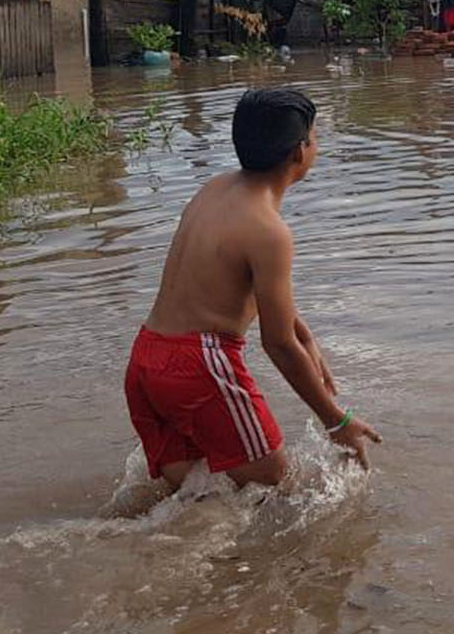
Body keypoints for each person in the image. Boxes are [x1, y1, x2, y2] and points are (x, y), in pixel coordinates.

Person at [124, 88, 382, 492]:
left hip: (145, 359)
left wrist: (306, 336)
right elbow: (276, 343)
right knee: (276, 486)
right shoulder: (269, 231)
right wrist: (337, 421)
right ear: (300, 152)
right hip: (200, 365)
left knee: (197, 497)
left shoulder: (215, 188)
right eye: (315, 136)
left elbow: (235, 286)